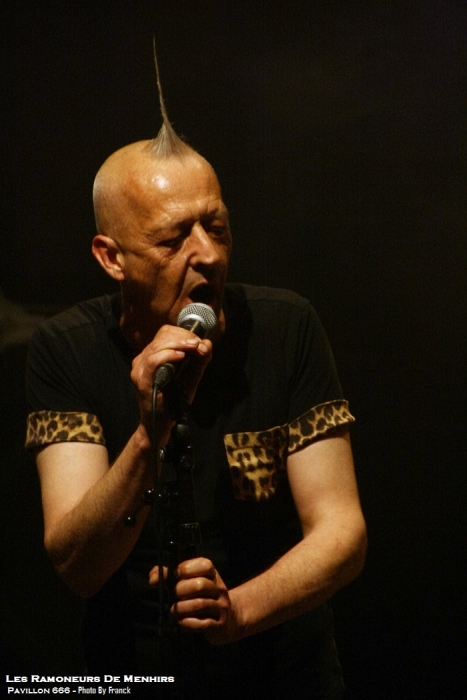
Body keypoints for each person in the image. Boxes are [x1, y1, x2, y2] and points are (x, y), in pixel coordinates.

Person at [26, 110, 366, 698]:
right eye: (173, 239)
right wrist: (148, 435)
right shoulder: (67, 348)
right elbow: (78, 567)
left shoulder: (285, 328)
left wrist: (238, 611)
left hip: (283, 673)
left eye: (217, 227)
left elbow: (342, 533)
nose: (207, 253)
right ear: (111, 258)